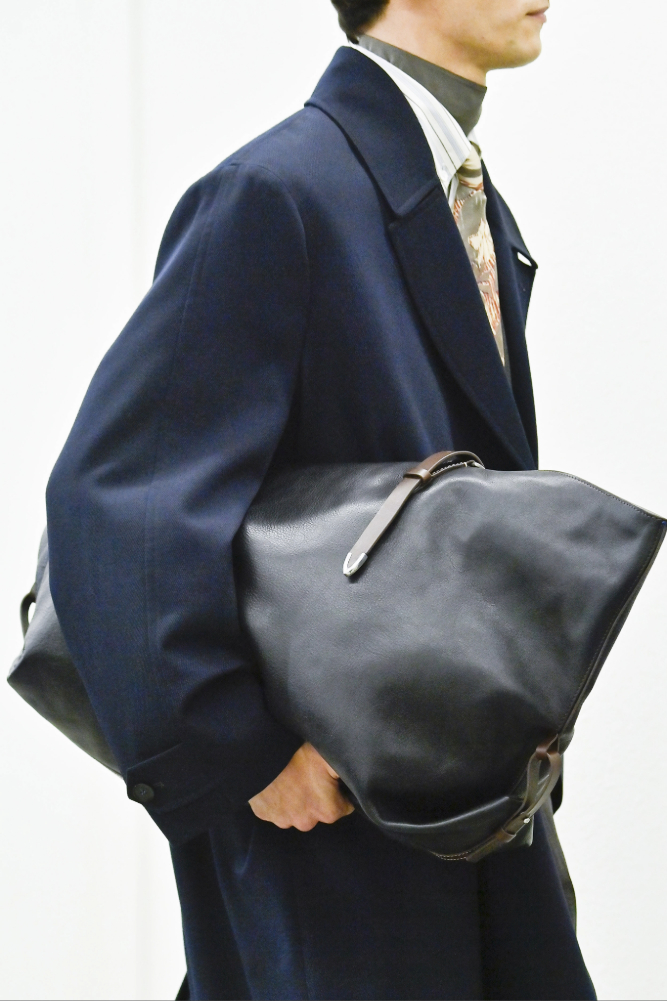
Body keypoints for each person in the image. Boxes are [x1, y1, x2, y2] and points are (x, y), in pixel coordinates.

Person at [46, 0, 596, 998]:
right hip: (331, 833)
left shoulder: (463, 202)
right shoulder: (277, 194)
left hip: (462, 810)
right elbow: (116, 498)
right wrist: (240, 752)